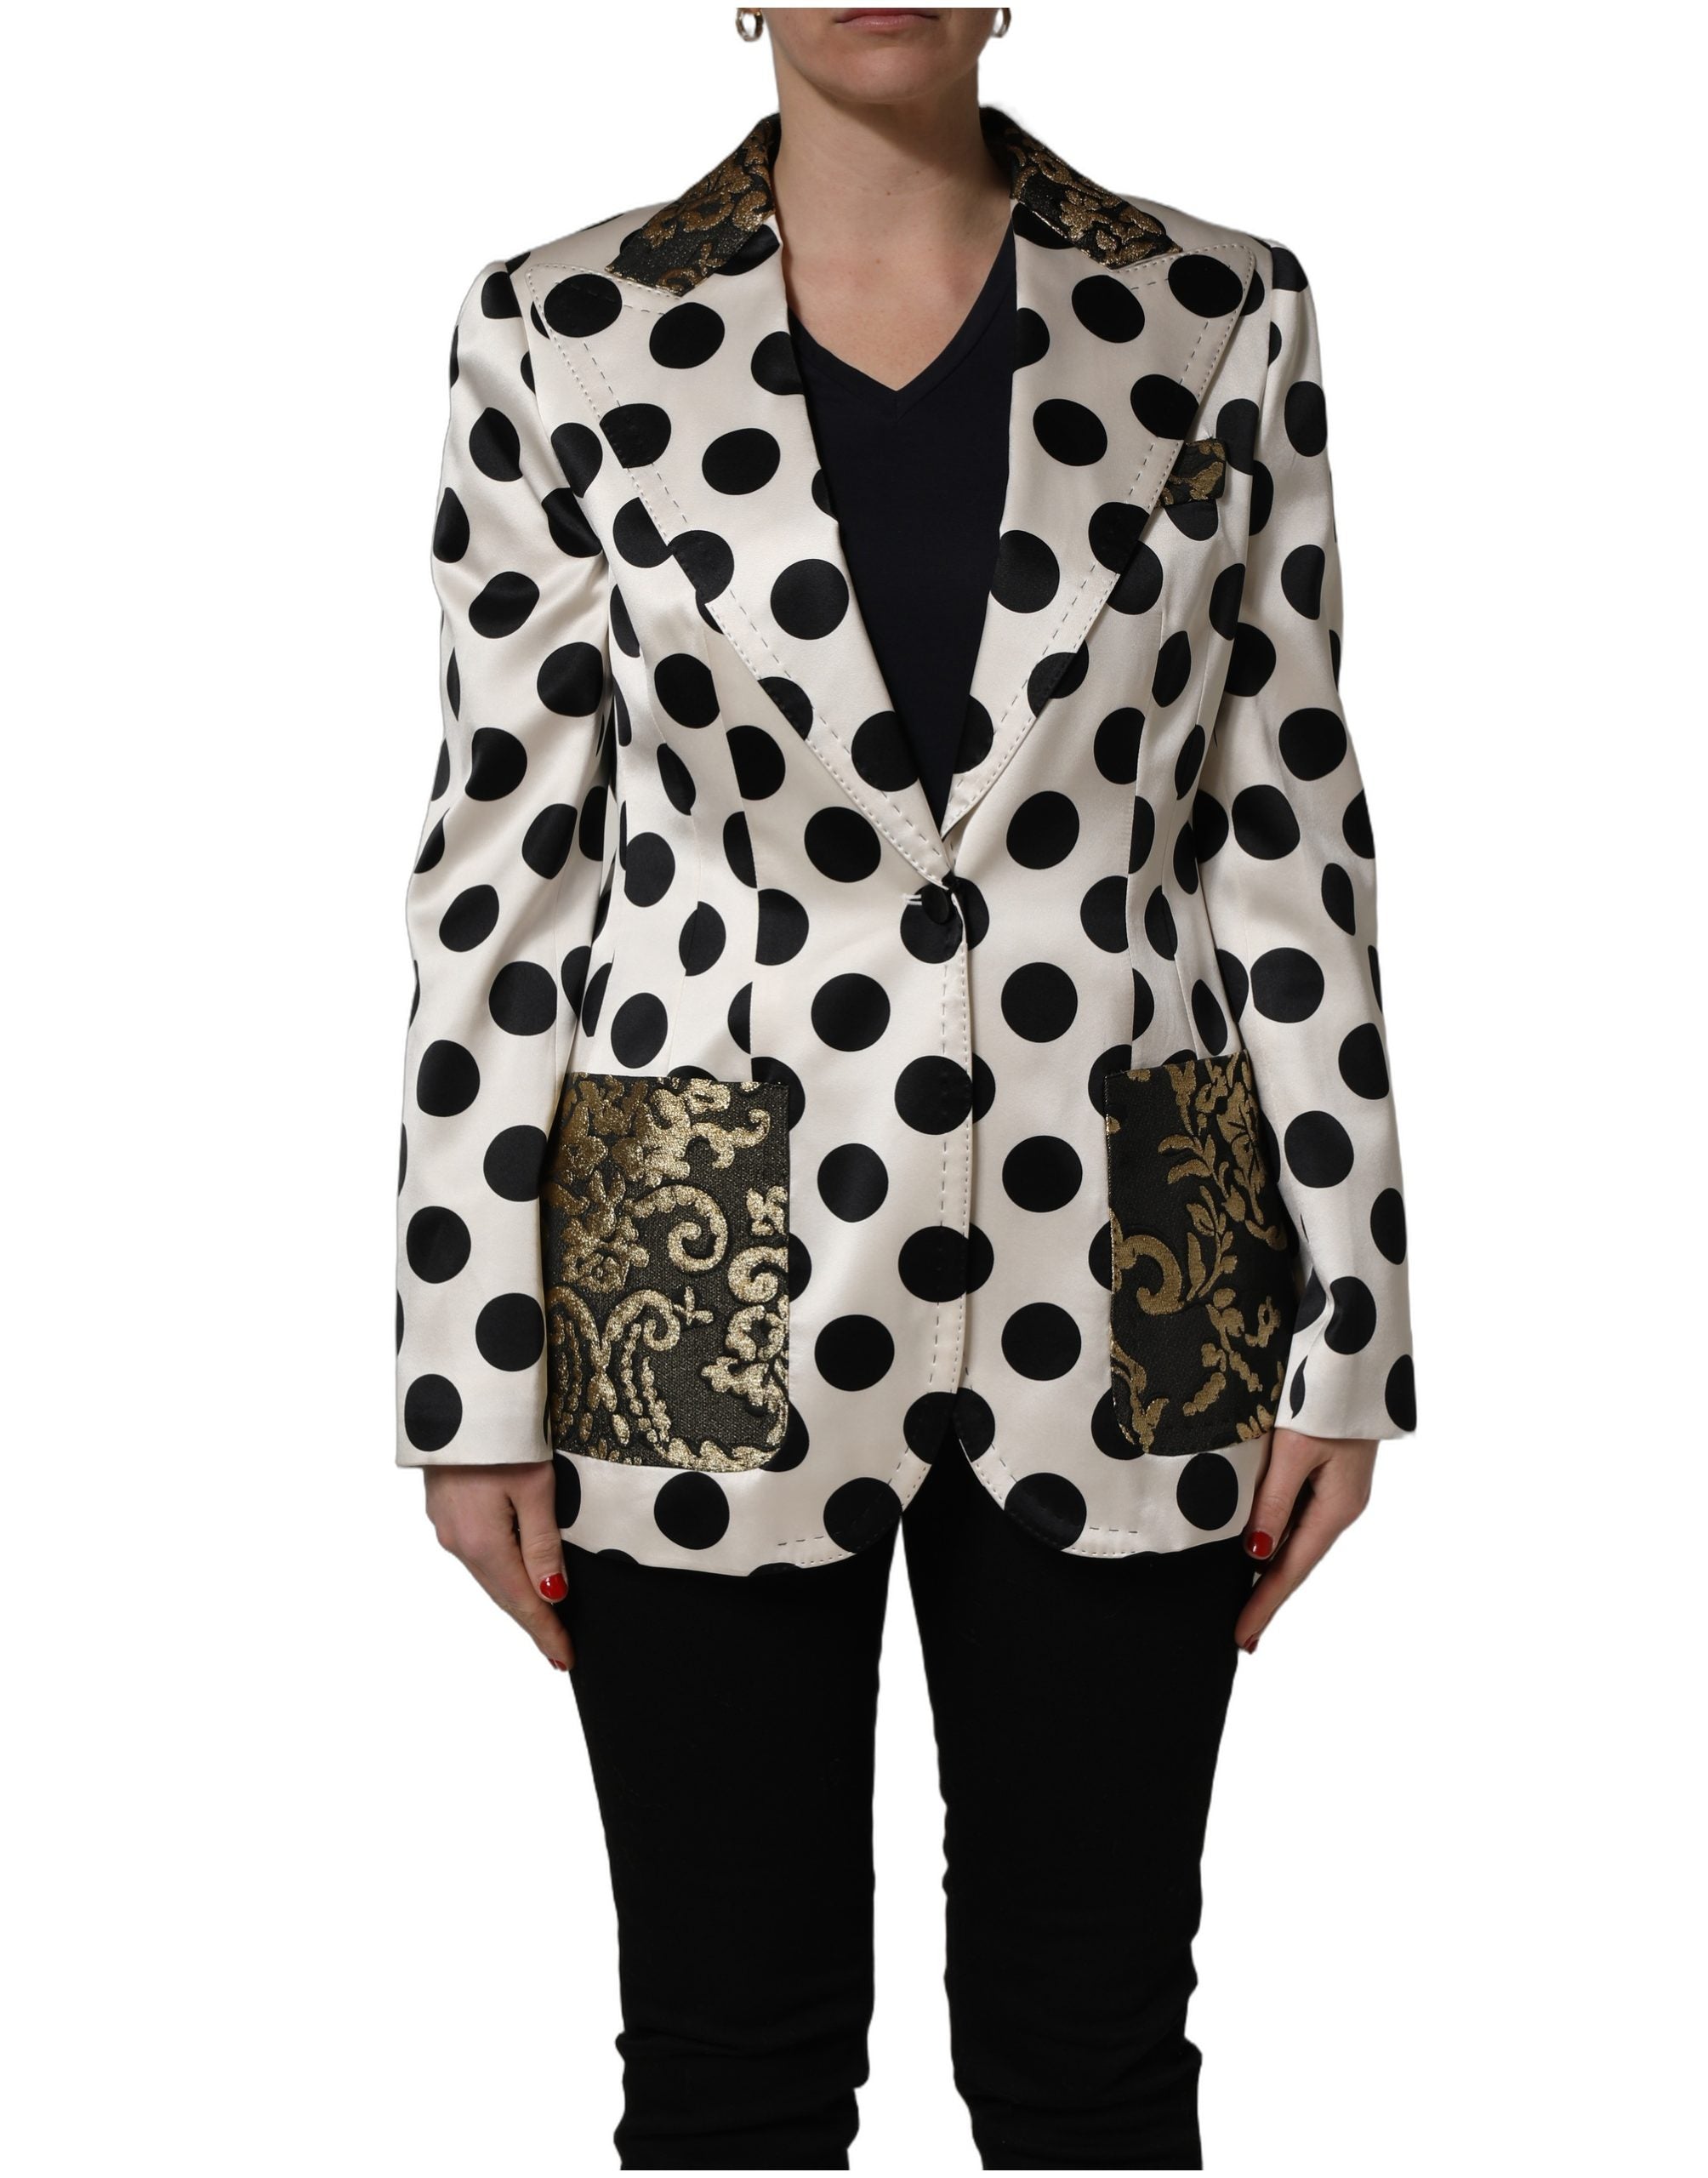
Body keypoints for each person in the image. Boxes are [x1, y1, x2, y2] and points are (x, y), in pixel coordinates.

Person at [393, 7, 1418, 2167]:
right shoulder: (557, 329)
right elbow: (503, 883)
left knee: (1094, 2055)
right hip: (689, 1279)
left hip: (1140, 1272)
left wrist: (1353, 1325)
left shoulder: (1220, 307)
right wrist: (465, 1379)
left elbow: (1286, 837)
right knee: (724, 2063)